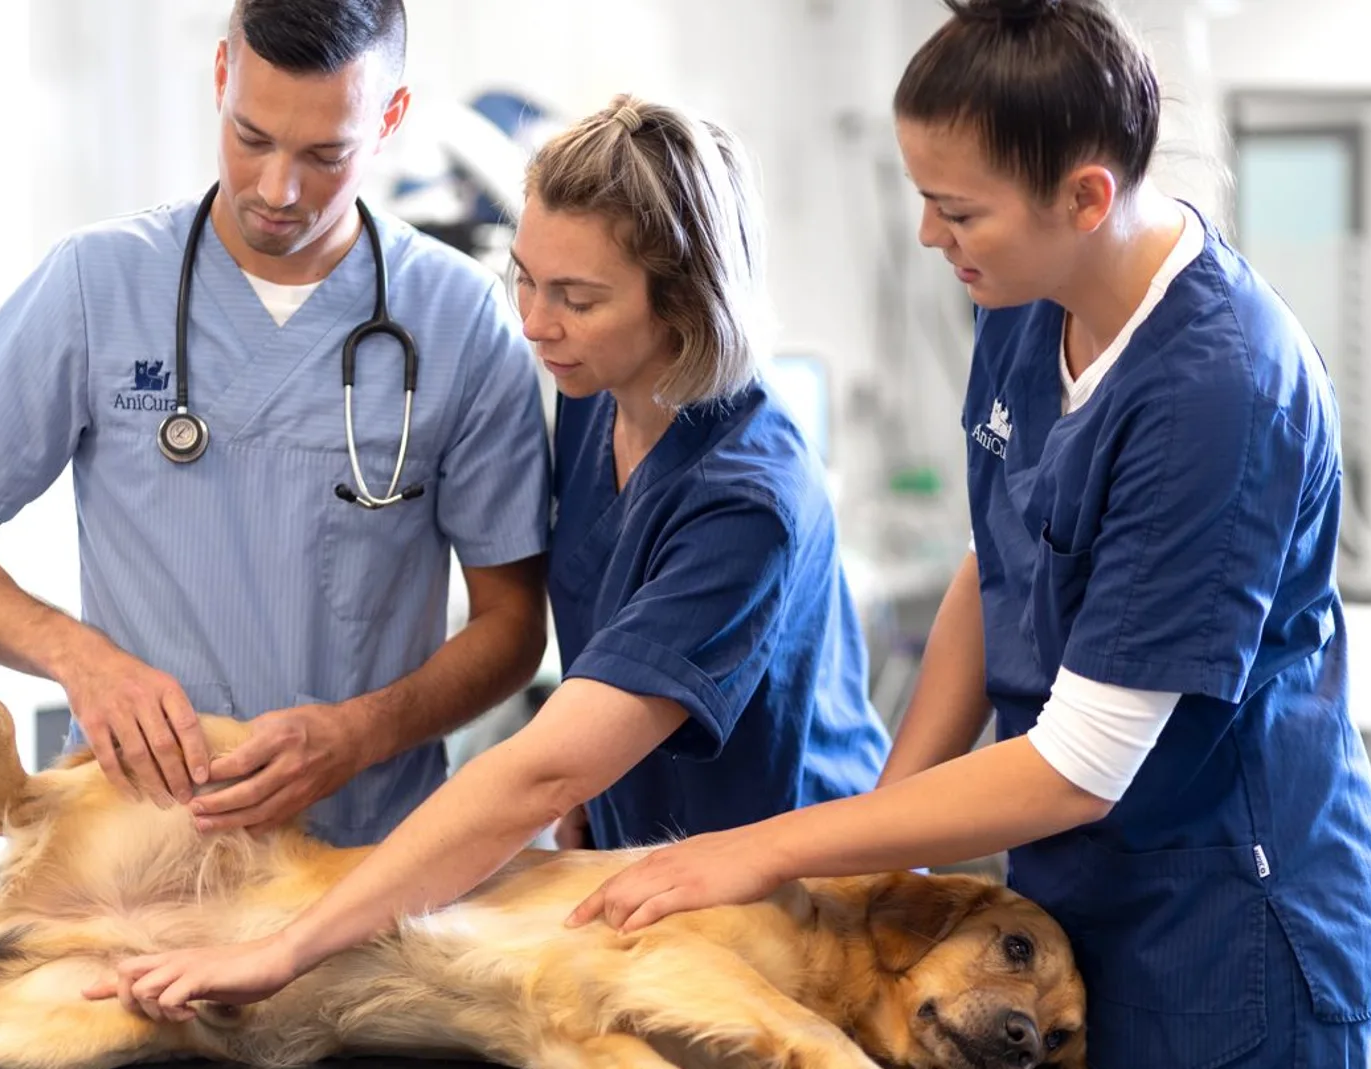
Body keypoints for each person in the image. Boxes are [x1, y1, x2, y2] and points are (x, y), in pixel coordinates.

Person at [565, 3, 1371, 1067]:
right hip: (1068, 893)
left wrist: (763, 849)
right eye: (925, 201)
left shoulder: (1218, 392)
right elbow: (998, 560)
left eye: (956, 210)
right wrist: (879, 849)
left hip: (1224, 923)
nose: (929, 236)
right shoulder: (1025, 291)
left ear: (1085, 196)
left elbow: (1078, 764)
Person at [82, 94, 891, 1017]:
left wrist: (285, 950)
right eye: (526, 280)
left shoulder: (744, 501)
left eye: (577, 298)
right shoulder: (596, 389)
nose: (536, 322)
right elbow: (601, 663)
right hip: (649, 881)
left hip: (799, 917)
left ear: (684, 305)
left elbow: (544, 766)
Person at [0, 0, 551, 848]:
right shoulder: (99, 284)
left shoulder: (460, 320)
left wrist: (361, 734)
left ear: (389, 120)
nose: (278, 190)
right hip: (129, 855)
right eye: (252, 137)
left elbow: (512, 625)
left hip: (362, 861)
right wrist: (80, 658)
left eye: (325, 155)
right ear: (219, 77)